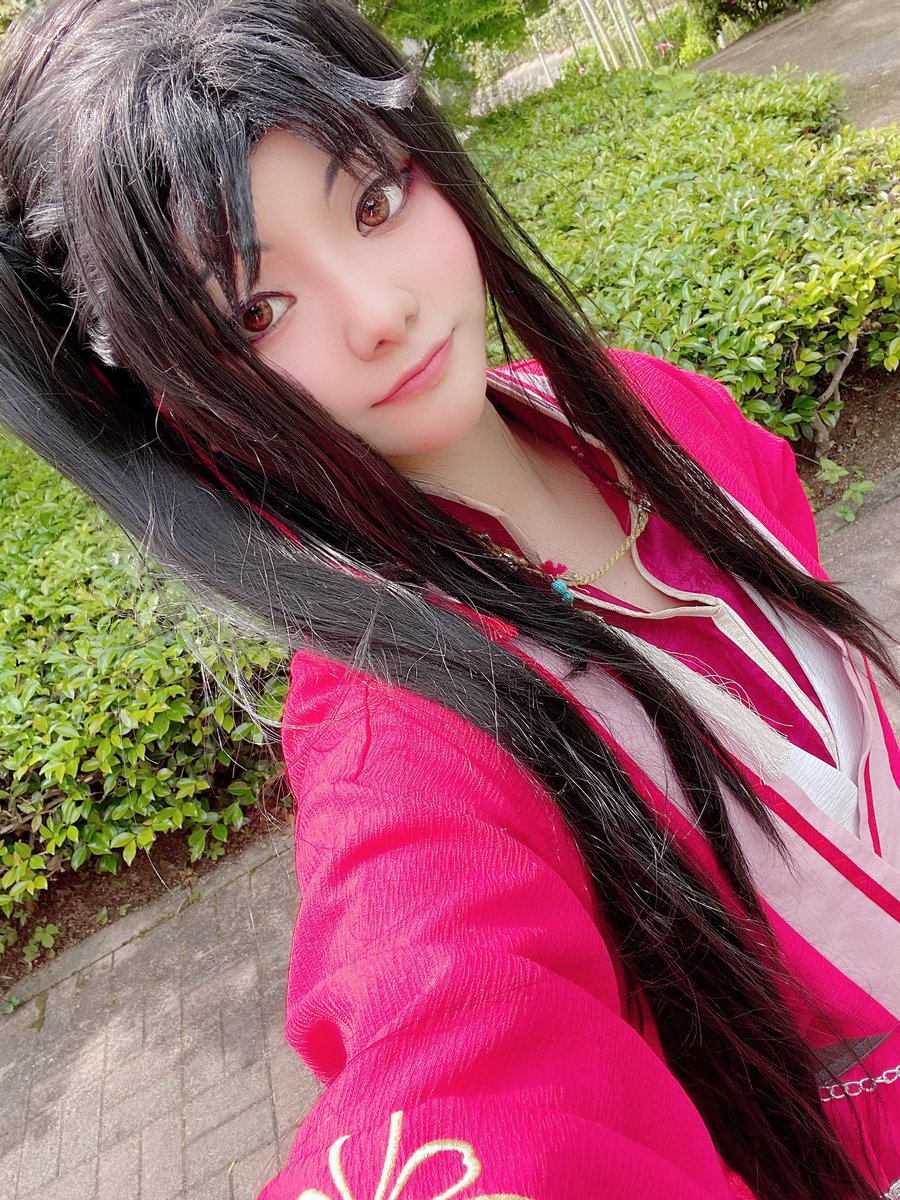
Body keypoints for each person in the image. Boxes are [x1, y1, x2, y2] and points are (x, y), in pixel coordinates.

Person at [0, 0, 897, 1196]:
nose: (382, 313)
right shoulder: (403, 743)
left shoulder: (657, 412)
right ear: (171, 396)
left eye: (375, 202)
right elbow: (456, 1059)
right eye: (257, 312)